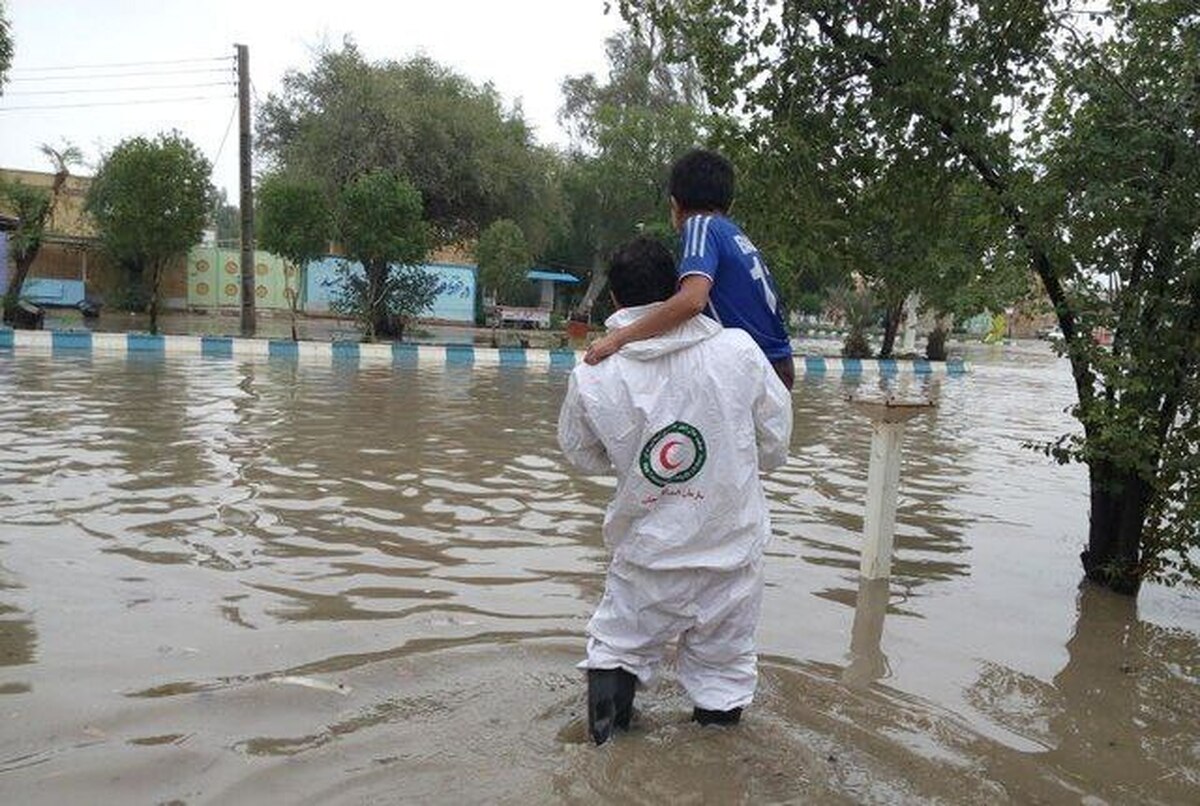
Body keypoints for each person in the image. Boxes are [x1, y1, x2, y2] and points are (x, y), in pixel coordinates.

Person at [557, 236, 793, 745]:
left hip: (647, 557)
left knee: (615, 647)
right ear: (676, 287)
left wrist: (635, 470)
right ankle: (713, 773)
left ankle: (607, 764)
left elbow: (580, 454)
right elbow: (776, 440)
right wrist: (738, 468)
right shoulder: (739, 351)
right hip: (731, 555)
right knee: (724, 671)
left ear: (615, 301)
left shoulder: (595, 371)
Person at [584, 148, 796, 390]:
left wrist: (617, 339)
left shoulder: (699, 225)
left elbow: (692, 301)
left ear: (675, 204)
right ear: (729, 203)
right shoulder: (732, 233)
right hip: (777, 364)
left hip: (758, 368)